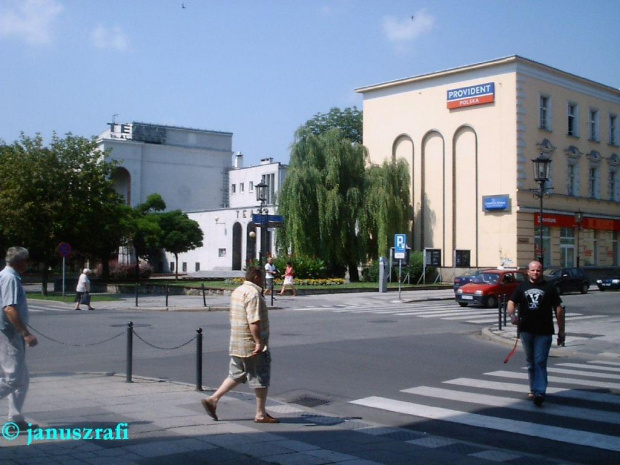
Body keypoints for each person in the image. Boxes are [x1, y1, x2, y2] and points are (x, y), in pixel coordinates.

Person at [201, 266, 278, 423]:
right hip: (251, 344)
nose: (263, 280)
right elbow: (254, 320)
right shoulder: (253, 293)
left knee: (236, 374)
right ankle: (260, 413)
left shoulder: (238, 290)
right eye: (262, 277)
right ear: (256, 277)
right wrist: (258, 342)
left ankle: (213, 399)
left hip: (237, 342)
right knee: (261, 377)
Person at [507, 261, 565, 407]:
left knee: (540, 361)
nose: (535, 273)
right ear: (528, 272)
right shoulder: (522, 287)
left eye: (538, 270)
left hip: (544, 331)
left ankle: (539, 392)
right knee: (530, 362)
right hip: (526, 330)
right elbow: (511, 302)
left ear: (542, 271)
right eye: (533, 270)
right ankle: (533, 389)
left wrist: (561, 331)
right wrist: (512, 316)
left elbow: (558, 308)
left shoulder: (549, 287)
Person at [0, 247, 38, 430]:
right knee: (13, 378)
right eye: (27, 260)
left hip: (8, 333)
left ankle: (15, 419)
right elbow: (9, 308)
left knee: (22, 377)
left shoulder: (5, 275)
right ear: (19, 261)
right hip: (10, 334)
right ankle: (14, 420)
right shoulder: (10, 278)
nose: (28, 263)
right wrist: (26, 333)